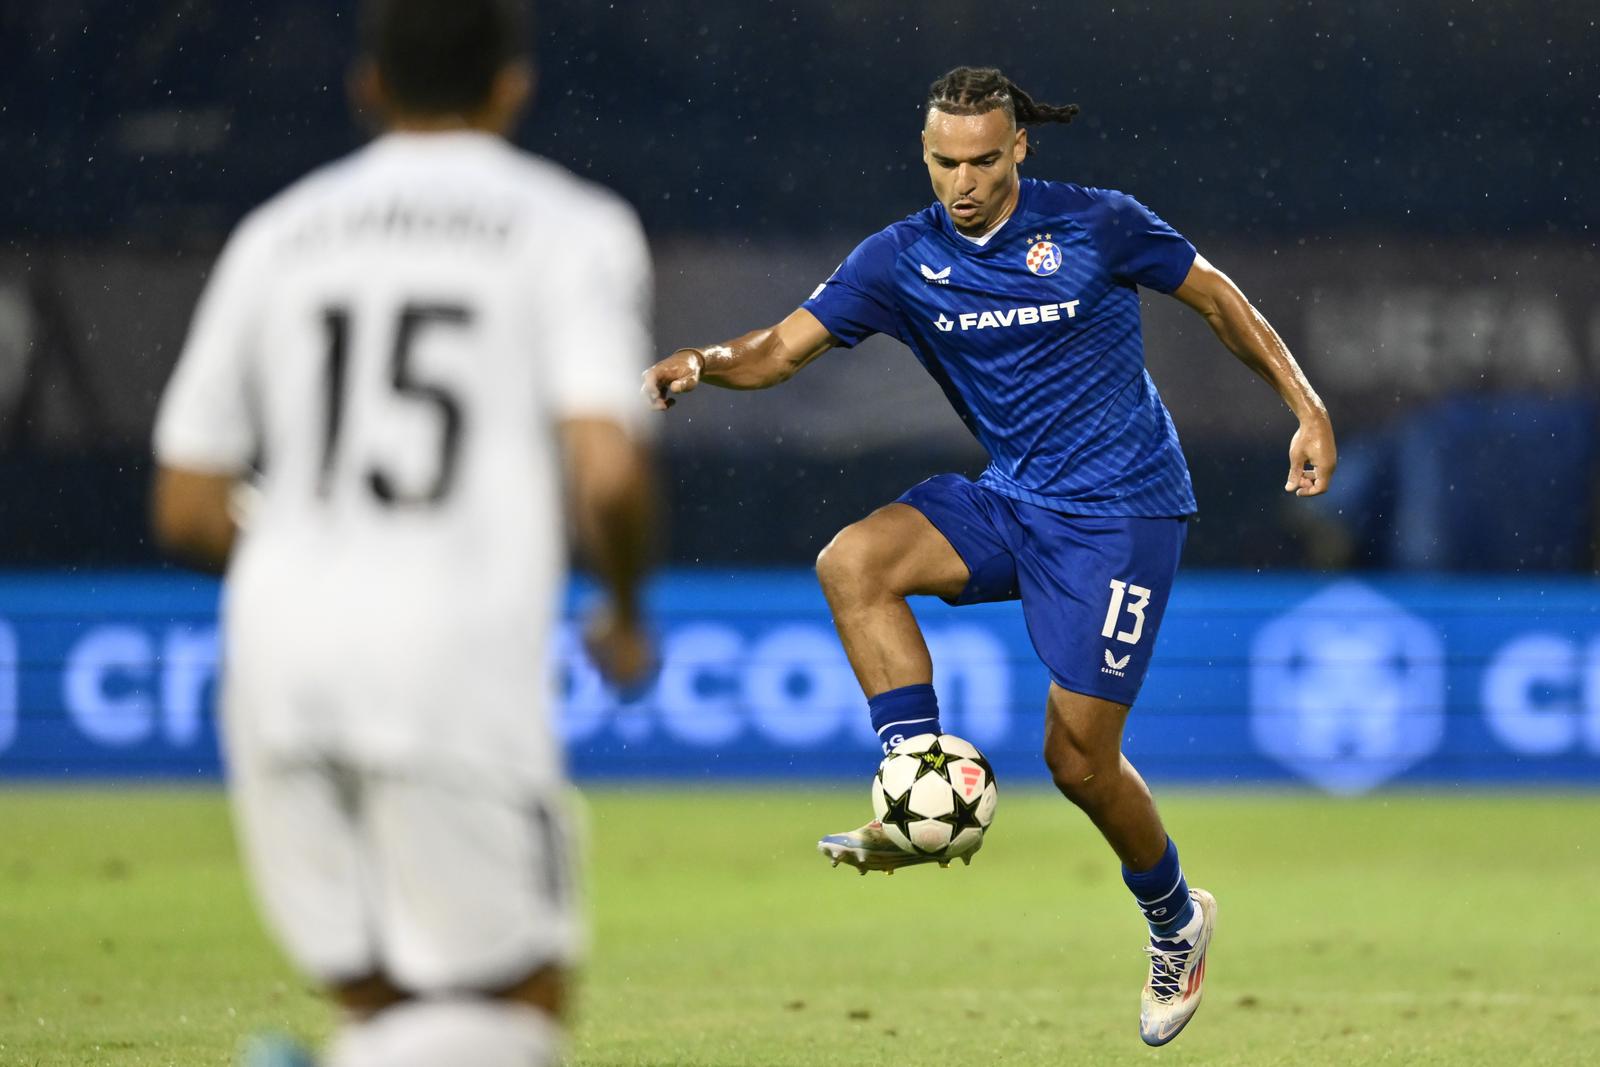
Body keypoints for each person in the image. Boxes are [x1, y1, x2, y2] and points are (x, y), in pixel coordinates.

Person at [642, 65, 1336, 1047]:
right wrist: (707, 362)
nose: (961, 182)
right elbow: (780, 348)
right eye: (942, 162)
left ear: (1019, 149)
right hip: (1013, 497)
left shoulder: (1097, 224)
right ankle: (914, 780)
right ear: (924, 156)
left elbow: (1218, 301)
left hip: (1120, 512)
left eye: (980, 160)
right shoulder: (898, 258)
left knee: (1078, 763)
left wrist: (1305, 409)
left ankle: (1176, 917)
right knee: (854, 562)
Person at [150, 1, 655, 1064]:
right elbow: (605, 469)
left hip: (276, 654)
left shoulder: (278, 234)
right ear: (511, 85)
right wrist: (621, 607)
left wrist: (308, 561)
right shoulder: (568, 227)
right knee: (517, 997)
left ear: (367, 86)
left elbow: (187, 500)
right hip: (448, 653)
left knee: (378, 995)